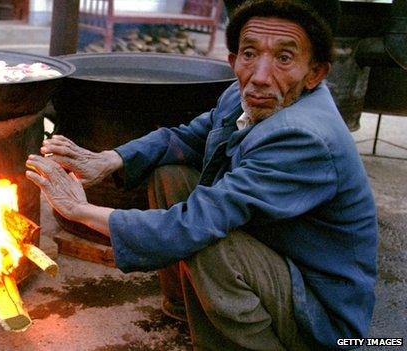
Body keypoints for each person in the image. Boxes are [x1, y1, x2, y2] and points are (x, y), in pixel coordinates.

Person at [25, 0, 378, 349]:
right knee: (170, 175)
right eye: (249, 54)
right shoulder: (243, 94)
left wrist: (81, 211)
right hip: (277, 251)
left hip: (320, 313)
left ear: (314, 73)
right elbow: (183, 138)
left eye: (284, 59)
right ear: (233, 61)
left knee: (209, 245)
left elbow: (194, 224)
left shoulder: (303, 137)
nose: (259, 75)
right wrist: (108, 159)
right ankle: (186, 311)